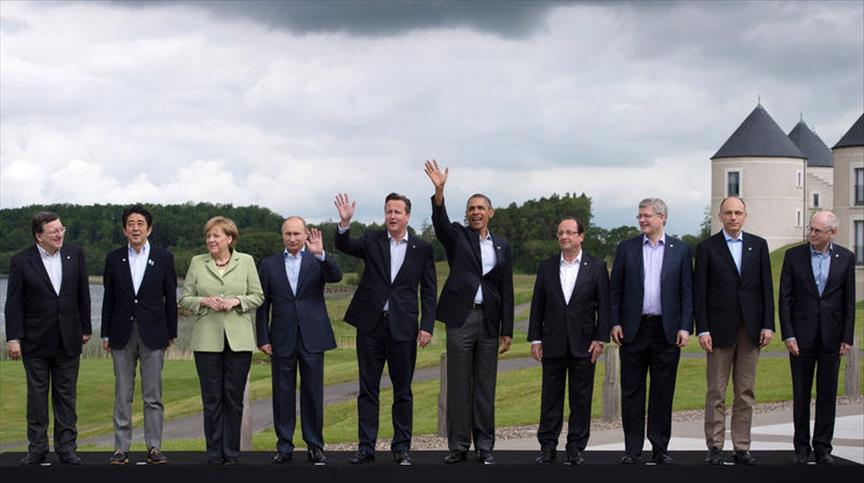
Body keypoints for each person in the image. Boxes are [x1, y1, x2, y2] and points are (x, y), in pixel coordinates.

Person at [334, 192, 436, 466]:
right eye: (388, 211)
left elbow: (428, 290)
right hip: (371, 325)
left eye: (397, 212)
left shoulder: (422, 249)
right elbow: (344, 245)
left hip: (403, 327)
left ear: (407, 216)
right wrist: (344, 223)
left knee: (403, 390)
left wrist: (427, 325)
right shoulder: (372, 239)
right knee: (368, 388)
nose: (392, 216)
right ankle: (366, 447)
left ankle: (401, 447)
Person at [424, 160, 514, 465]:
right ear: (467, 214)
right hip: (460, 320)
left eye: (481, 208)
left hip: (489, 322)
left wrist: (507, 329)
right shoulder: (457, 236)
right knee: (459, 386)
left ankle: (485, 446)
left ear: (490, 213)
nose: (476, 212)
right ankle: (459, 446)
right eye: (471, 208)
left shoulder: (502, 246)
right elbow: (440, 223)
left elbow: (506, 288)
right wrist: (439, 192)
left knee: (485, 387)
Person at [4, 211, 91, 465]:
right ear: (38, 236)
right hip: (35, 340)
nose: (59, 234)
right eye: (53, 231)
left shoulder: (75, 254)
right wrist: (13, 338)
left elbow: (83, 293)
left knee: (66, 397)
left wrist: (86, 327)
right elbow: (14, 303)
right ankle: (37, 448)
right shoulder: (21, 261)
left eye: (61, 229)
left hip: (69, 338)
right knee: (37, 397)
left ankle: (67, 448)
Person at [610, 198, 693, 465]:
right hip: (633, 330)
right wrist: (615, 322)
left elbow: (687, 292)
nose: (642, 220)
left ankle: (660, 448)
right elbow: (615, 290)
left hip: (666, 331)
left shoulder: (681, 250)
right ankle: (632, 450)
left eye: (646, 215)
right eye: (640, 216)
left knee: (662, 392)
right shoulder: (626, 248)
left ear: (662, 217)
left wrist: (685, 326)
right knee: (632, 392)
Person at [256, 217, 342, 466]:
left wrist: (322, 254)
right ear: (282, 236)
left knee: (312, 392)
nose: (292, 238)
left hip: (313, 336)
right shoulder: (269, 264)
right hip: (281, 337)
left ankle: (315, 445)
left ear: (305, 235)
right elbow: (263, 304)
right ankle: (284, 446)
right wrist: (263, 337)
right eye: (288, 234)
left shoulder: (316, 259)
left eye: (296, 234)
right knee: (282, 393)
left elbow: (335, 276)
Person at [694, 197, 773, 465]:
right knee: (716, 391)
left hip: (751, 329)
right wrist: (702, 329)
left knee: (745, 392)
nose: (733, 217)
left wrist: (768, 324)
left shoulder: (758, 245)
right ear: (720, 216)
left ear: (745, 216)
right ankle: (715, 446)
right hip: (718, 330)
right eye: (728, 213)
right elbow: (700, 292)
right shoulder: (707, 248)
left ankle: (742, 447)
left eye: (738, 213)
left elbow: (766, 288)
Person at [178, 216, 263, 465]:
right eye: (208, 236)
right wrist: (204, 301)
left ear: (230, 238)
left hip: (239, 340)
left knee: (233, 398)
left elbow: (258, 296)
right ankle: (214, 452)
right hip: (206, 339)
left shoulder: (246, 261)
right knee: (212, 398)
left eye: (216, 235)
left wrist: (237, 301)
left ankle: (231, 452)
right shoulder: (197, 262)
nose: (211, 240)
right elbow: (185, 298)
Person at [527, 217, 610, 466]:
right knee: (550, 398)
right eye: (560, 233)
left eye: (569, 232)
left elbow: (604, 307)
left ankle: (575, 446)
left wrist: (600, 339)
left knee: (581, 399)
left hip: (584, 344)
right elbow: (538, 305)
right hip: (552, 341)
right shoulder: (547, 267)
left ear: (581, 236)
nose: (564, 236)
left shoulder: (596, 266)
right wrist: (535, 338)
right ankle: (548, 446)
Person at [101, 205, 177, 465]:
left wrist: (171, 332)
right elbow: (109, 298)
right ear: (124, 229)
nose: (135, 228)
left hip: (153, 334)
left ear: (149, 228)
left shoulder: (164, 257)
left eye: (140, 223)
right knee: (123, 394)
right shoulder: (113, 258)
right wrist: (105, 334)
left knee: (153, 396)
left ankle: (154, 447)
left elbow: (170, 298)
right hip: (121, 334)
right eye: (131, 224)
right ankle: (121, 449)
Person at [779, 210, 856, 465]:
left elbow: (848, 301)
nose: (812, 234)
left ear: (832, 233)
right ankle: (801, 447)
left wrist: (847, 337)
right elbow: (785, 299)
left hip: (832, 337)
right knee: (801, 393)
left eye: (817, 230)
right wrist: (788, 334)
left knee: (827, 394)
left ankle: (823, 447)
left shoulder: (845, 258)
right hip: (801, 337)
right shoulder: (794, 256)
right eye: (810, 229)